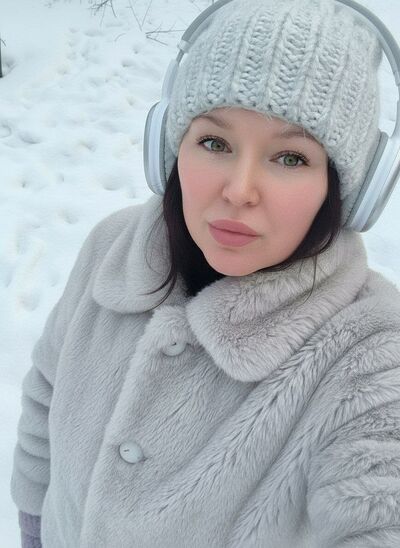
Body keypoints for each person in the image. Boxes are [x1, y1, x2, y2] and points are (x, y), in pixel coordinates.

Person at [10, 0, 400, 546]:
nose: (239, 190)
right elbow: (47, 392)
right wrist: (33, 524)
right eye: (215, 143)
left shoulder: (373, 351)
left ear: (349, 191)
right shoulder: (110, 249)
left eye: (291, 158)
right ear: (168, 151)